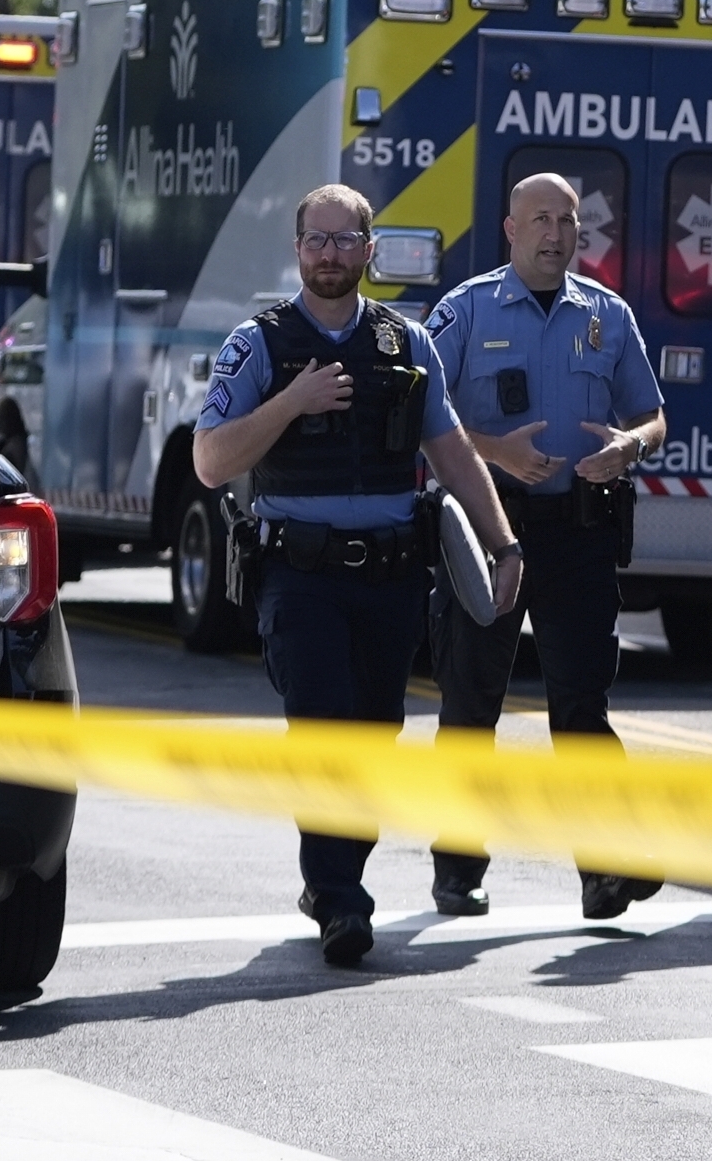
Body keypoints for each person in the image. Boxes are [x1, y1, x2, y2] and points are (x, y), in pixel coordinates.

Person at [191, 182, 523, 967]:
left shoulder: (404, 340)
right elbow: (210, 461)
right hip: (299, 576)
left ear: (370, 251)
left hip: (391, 575)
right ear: (297, 247)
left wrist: (503, 543)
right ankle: (340, 898)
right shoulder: (259, 343)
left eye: (346, 241)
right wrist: (292, 402)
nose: (331, 254)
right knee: (323, 727)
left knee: (372, 735)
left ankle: (336, 877)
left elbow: (449, 450)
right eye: (317, 239)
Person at [420, 170, 670, 920]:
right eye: (540, 219)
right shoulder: (462, 311)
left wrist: (628, 445)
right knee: (471, 703)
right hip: (489, 530)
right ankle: (458, 869)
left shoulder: (608, 314)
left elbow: (653, 416)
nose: (555, 233)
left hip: (577, 531)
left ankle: (606, 869)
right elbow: (422, 424)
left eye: (567, 221)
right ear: (509, 228)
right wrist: (494, 452)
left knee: (581, 705)